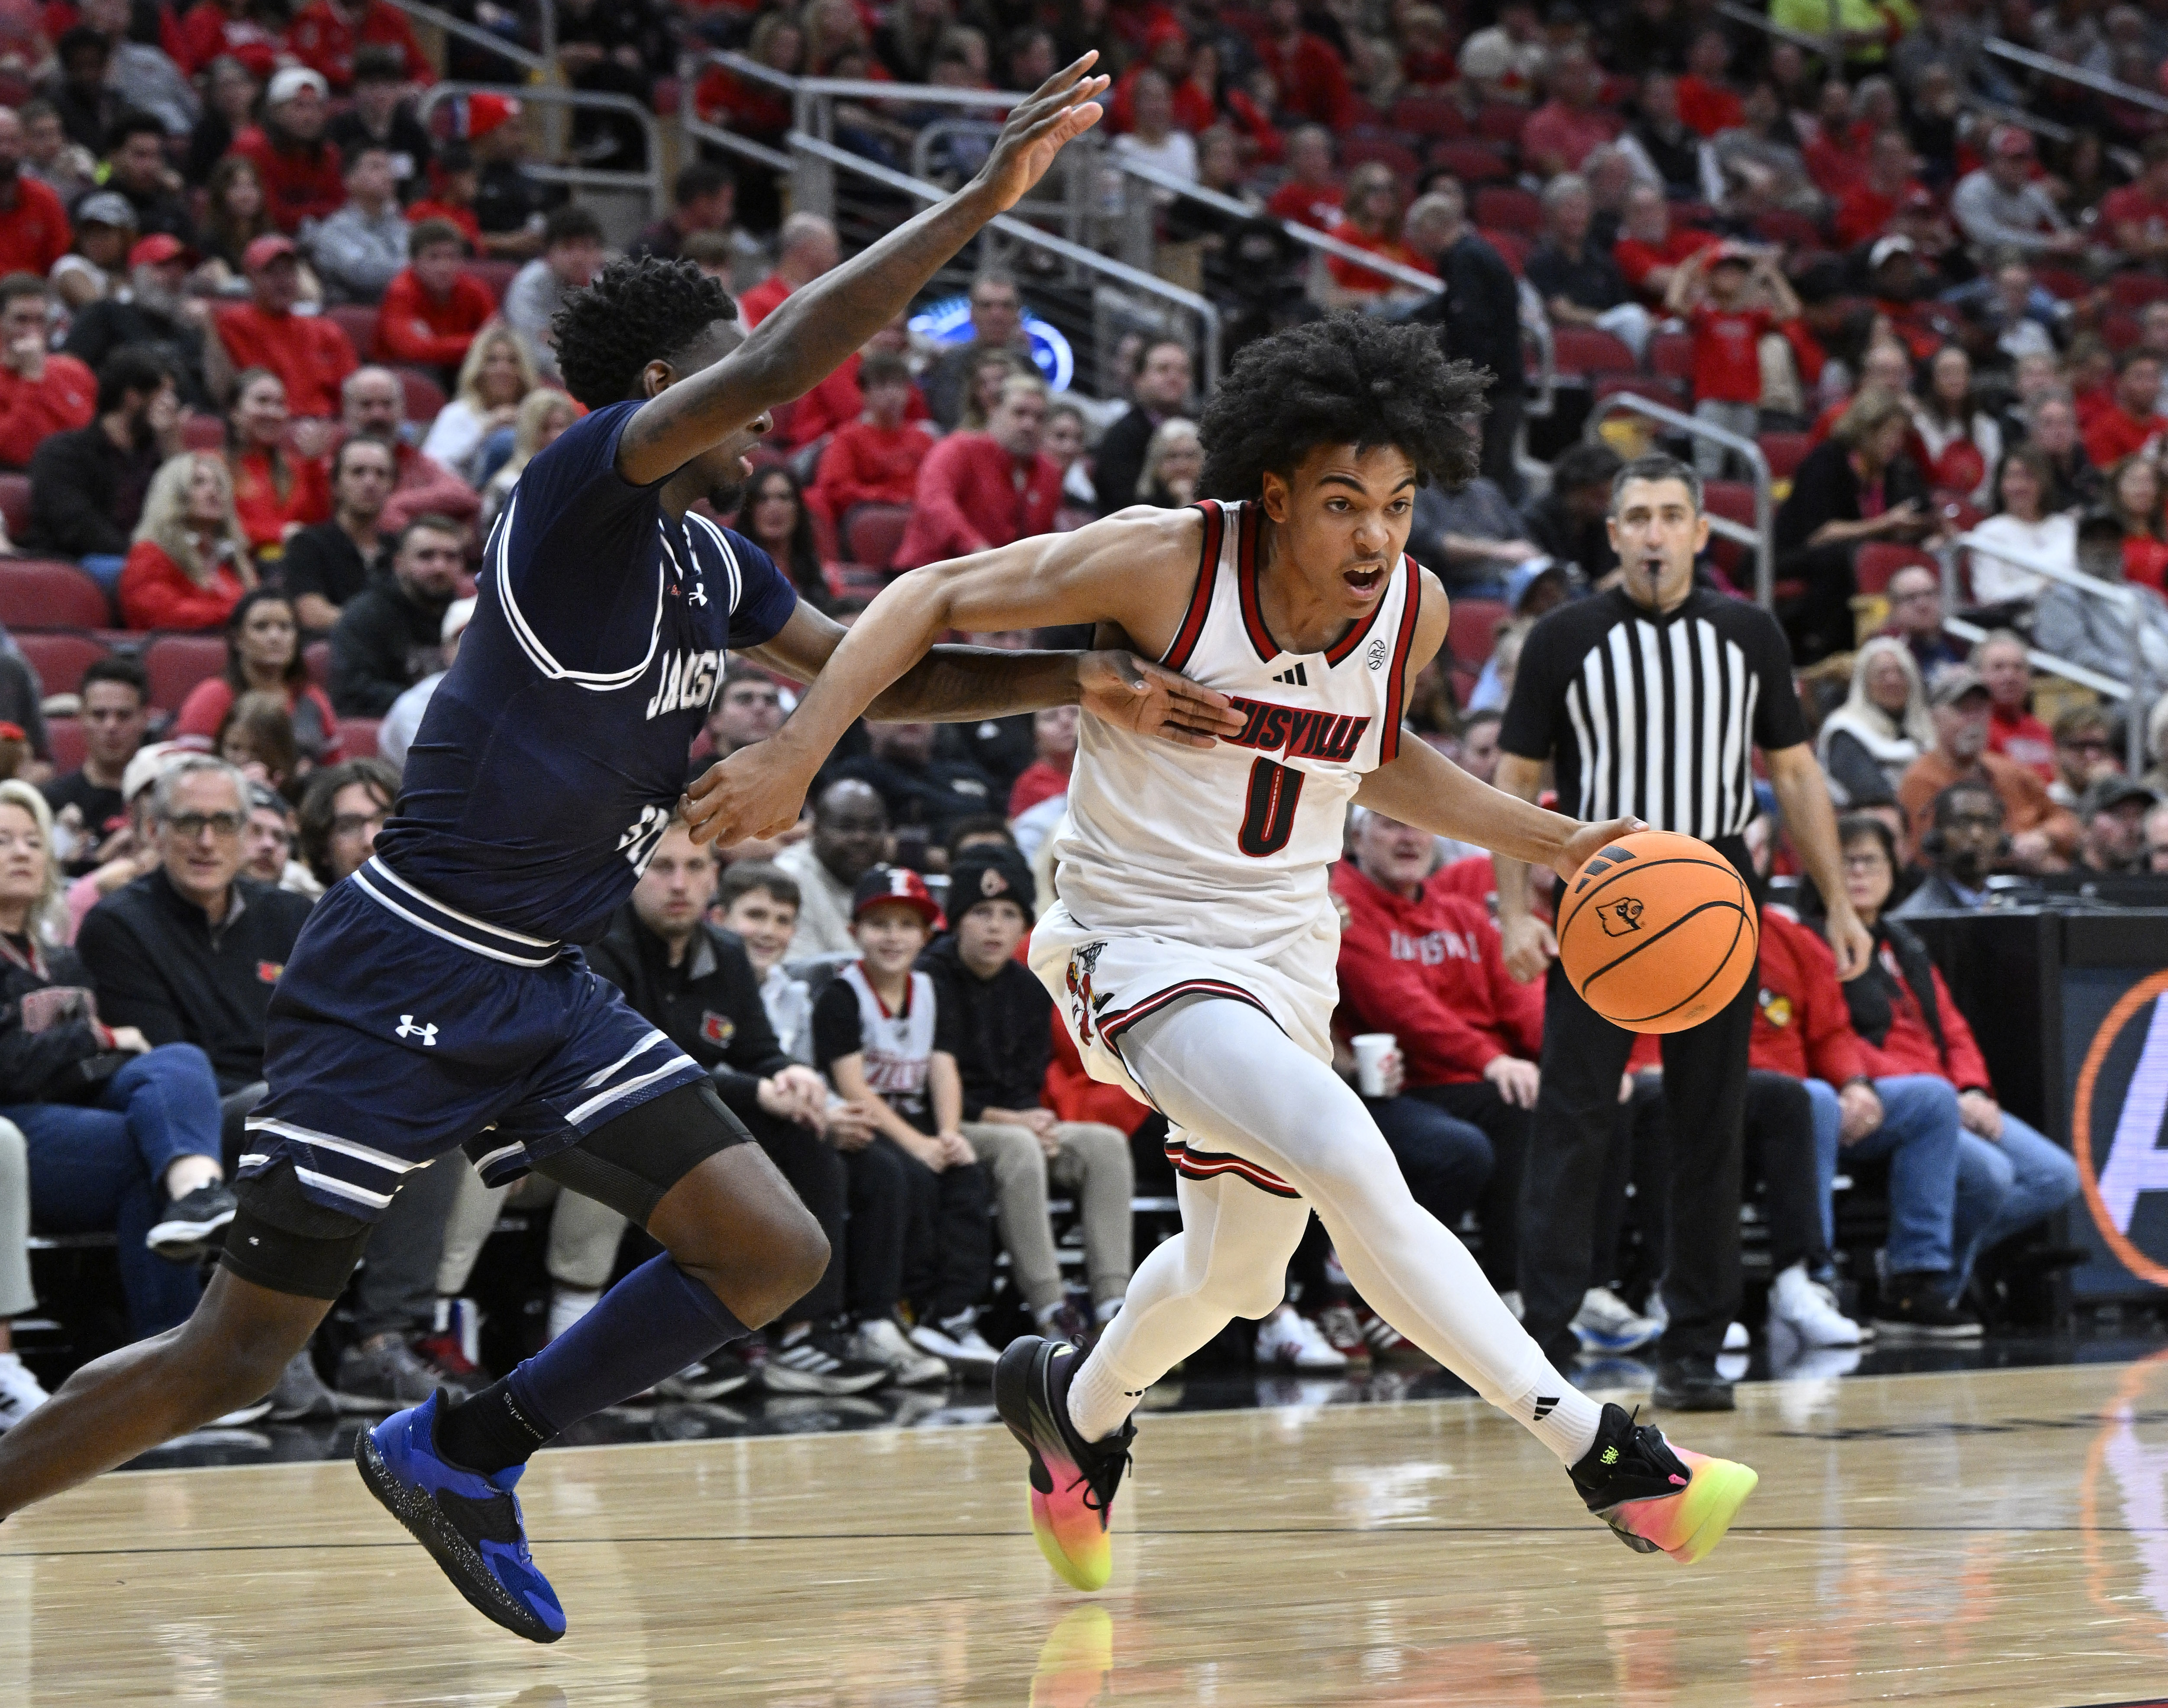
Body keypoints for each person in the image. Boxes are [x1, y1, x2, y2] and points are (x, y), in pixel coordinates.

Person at [0, 60, 1233, 1640]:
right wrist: (975, 203)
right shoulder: (579, 489)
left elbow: (883, 669)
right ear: (666, 384)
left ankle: (460, 1447)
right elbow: (796, 345)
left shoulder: (712, 560)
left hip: (543, 979)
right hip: (404, 970)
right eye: (733, 379)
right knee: (231, 1357)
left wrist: (1086, 672)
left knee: (768, 1245)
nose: (771, 404)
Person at [687, 325, 1764, 1594]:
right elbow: (925, 597)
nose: (1377, 538)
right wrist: (802, 749)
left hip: (1283, 946)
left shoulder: (1407, 607)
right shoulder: (1165, 561)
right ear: (1273, 494)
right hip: (1134, 937)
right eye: (1344, 504)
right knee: (1345, 1150)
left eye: (1401, 505)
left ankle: (1074, 1411)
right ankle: (1602, 1449)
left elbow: (1377, 754)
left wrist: (1567, 838)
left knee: (1240, 1273)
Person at [1477, 453, 1873, 1409]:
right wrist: (1516, 908)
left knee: (1709, 1123)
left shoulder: (1750, 634)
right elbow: (1514, 779)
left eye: (1671, 516)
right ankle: (1542, 1340)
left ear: (1701, 532)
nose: (1654, 532)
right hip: (1604, 897)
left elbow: (1796, 771)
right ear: (1611, 534)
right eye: (1637, 517)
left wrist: (1839, 899)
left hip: (1713, 895)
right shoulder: (1562, 636)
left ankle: (1696, 1342)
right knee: (1574, 1119)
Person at [586, 819, 904, 1395]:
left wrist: (791, 1074)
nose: (680, 883)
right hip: (611, 1116)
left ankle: (807, 1332)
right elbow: (635, 1061)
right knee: (676, 1148)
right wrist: (757, 1090)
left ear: (715, 879)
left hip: (697, 1112)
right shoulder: (605, 944)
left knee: (807, 1130)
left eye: (695, 867)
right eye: (663, 867)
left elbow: (758, 1049)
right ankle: (669, 1344)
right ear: (633, 875)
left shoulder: (726, 953)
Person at [0, 781, 237, 1342]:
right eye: (4, 840)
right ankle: (175, 1362)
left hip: (68, 1104)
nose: (22, 852)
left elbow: (72, 1062)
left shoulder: (59, 958)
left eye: (34, 840)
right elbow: (8, 1065)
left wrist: (96, 1047)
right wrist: (95, 1035)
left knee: (177, 1058)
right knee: (138, 1150)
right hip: (13, 1128)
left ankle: (196, 1193)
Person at [1829, 812, 2081, 1308]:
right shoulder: (1819, 943)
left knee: (2056, 1177)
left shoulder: (1905, 944)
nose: (1859, 874)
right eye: (1847, 863)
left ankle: (1932, 1272)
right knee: (1992, 1176)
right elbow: (1831, 1039)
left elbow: (1953, 1029)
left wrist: (1972, 1090)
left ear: (1894, 868)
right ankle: (1921, 1285)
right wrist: (1938, 1094)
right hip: (1889, 1102)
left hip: (1948, 1095)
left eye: (1871, 861)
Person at [920, 841, 1134, 1340]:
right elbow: (931, 1086)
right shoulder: (931, 977)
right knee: (1019, 1148)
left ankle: (1113, 1302)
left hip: (1014, 1122)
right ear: (956, 920)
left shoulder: (1028, 983)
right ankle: (1051, 1307)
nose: (995, 926)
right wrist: (1017, 1123)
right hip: (950, 1125)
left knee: (1104, 1145)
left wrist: (1036, 1120)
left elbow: (1027, 1076)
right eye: (980, 912)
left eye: (1008, 913)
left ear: (1024, 925)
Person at [1333, 807, 1539, 1301]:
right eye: (1390, 824)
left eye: (1417, 823)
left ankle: (1517, 1293)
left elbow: (1523, 997)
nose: (1409, 837)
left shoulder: (1462, 916)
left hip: (1459, 1083)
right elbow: (1398, 1006)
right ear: (1356, 838)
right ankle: (1394, 1292)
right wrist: (1491, 1059)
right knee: (1464, 1148)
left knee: (1547, 1105)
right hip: (1380, 1089)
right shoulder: (1338, 906)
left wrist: (1586, 1069)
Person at [1751, 898, 1971, 1337]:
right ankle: (1816, 1277)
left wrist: (1854, 1083)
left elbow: (1831, 1031)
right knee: (1810, 1099)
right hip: (1731, 1094)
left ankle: (1913, 1282)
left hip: (1806, 1095)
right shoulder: (1677, 929)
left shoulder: (1788, 936)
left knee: (1932, 1099)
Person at [1774, 391, 1936, 665]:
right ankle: (1825, 653)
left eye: (1901, 436)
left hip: (1853, 554)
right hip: (1794, 554)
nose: (1898, 443)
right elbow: (1821, 534)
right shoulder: (1827, 460)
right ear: (1867, 430)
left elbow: (1916, 508)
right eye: (1892, 434)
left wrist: (1927, 525)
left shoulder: (1895, 469)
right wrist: (1886, 523)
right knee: (1842, 559)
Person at [1400, 185, 1526, 500]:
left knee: (1487, 477)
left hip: (1493, 390)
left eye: (1416, 231)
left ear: (1433, 226)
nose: (1412, 241)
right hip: (1503, 383)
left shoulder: (1465, 259)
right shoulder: (1477, 254)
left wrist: (1465, 391)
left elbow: (1472, 329)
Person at [1897, 668, 2081, 869]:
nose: (1974, 720)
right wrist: (2014, 852)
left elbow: (2066, 821)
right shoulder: (1921, 780)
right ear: (1935, 717)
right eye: (1963, 710)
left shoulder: (2009, 770)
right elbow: (1928, 854)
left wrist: (2044, 837)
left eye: (1981, 709)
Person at [22, 347, 179, 571]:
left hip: (145, 563)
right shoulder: (64, 453)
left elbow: (186, 514)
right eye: (164, 397)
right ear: (132, 398)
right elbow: (77, 528)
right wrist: (141, 556)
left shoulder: (158, 457)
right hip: (78, 564)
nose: (172, 407)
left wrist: (173, 450)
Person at [1665, 244, 1802, 481]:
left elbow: (1792, 310)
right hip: (1712, 401)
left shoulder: (1753, 317)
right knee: (1708, 467)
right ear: (1712, 277)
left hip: (1747, 402)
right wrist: (1685, 271)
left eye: (1738, 272)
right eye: (1724, 271)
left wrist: (1772, 274)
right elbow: (1674, 304)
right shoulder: (1706, 314)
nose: (1732, 278)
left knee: (1746, 469)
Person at [173, 590, 342, 765]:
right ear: (238, 638)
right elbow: (191, 771)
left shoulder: (312, 697)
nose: (275, 637)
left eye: (285, 627)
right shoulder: (213, 696)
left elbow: (336, 769)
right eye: (261, 627)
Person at [63, 235, 226, 412]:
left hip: (189, 427)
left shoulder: (193, 332)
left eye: (182, 268)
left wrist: (210, 330)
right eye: (163, 266)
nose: (175, 275)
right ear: (134, 274)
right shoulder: (107, 314)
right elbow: (68, 373)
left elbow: (222, 395)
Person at [327, 514, 465, 715]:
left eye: (451, 557)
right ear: (399, 564)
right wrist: (427, 701)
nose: (440, 567)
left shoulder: (472, 616)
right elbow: (353, 692)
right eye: (426, 556)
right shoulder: (365, 616)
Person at [213, 234, 358, 419]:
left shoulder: (327, 331)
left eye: (288, 271)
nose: (282, 281)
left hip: (326, 426)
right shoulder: (234, 323)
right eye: (271, 272)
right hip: (270, 423)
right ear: (250, 277)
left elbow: (352, 394)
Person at [116, 451, 255, 632]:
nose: (213, 491)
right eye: (199, 482)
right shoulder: (149, 554)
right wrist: (242, 615)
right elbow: (165, 615)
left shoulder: (230, 560)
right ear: (174, 494)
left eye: (219, 485)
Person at [1526, 172, 1651, 363]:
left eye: (1582, 209)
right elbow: (1562, 312)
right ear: (1551, 214)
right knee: (1633, 318)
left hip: (1613, 331)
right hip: (1572, 338)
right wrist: (1609, 321)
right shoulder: (1542, 261)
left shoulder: (1601, 260)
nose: (1577, 216)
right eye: (1569, 208)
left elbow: (1622, 302)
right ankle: (1643, 373)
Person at [338, 365, 479, 533]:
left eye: (387, 404)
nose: (378, 414)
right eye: (366, 405)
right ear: (346, 410)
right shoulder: (328, 457)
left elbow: (465, 496)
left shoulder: (414, 459)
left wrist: (396, 504)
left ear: (402, 409)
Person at [42, 654, 148, 876]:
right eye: (99, 715)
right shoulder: (50, 802)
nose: (111, 726)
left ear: (144, 719)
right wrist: (98, 862)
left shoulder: (164, 799)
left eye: (124, 716)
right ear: (81, 718)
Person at [279, 435, 394, 632]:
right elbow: (313, 615)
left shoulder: (399, 548)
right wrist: (384, 624)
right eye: (358, 472)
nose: (370, 482)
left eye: (381, 474)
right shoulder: (307, 544)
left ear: (391, 486)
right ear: (336, 485)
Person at [808, 348, 932, 524]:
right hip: (872, 525)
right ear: (863, 394)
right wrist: (890, 498)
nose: (893, 395)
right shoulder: (848, 438)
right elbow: (836, 490)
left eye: (899, 386)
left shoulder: (923, 439)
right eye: (882, 386)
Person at [223, 369, 331, 559]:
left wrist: (314, 465)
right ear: (235, 412)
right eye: (263, 401)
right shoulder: (212, 465)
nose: (273, 412)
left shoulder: (299, 467)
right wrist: (278, 533)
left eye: (280, 404)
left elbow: (320, 523)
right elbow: (215, 528)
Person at [776, 779, 888, 958]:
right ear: (815, 830)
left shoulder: (885, 878)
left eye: (873, 828)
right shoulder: (789, 878)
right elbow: (800, 971)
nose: (861, 838)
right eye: (847, 827)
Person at [1818, 636, 1933, 807]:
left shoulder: (1929, 726)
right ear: (1865, 682)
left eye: (1901, 672)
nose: (1893, 681)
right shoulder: (1845, 730)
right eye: (1882, 674)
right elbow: (1873, 797)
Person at [227, 66, 345, 233]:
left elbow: (341, 205)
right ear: (274, 111)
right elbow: (266, 214)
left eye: (317, 107)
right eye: (299, 107)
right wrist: (319, 213)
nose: (310, 116)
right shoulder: (251, 148)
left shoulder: (329, 152)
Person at [374, 220, 495, 373]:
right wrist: (479, 341)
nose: (444, 267)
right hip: (405, 373)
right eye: (433, 258)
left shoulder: (476, 290)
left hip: (460, 369)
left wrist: (434, 343)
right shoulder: (400, 292)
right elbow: (413, 350)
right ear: (414, 262)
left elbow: (497, 341)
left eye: (452, 257)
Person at [501, 205, 605, 383]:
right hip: (536, 377)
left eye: (587, 248)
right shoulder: (528, 285)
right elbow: (530, 347)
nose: (578, 258)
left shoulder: (604, 287)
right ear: (548, 254)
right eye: (568, 248)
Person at [0, 272, 93, 470]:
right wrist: (32, 379)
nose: (32, 330)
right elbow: (14, 450)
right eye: (21, 320)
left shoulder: (74, 371)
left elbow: (91, 437)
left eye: (40, 320)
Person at [420, 324, 535, 483]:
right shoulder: (457, 413)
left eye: (513, 361)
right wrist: (488, 428)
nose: (503, 369)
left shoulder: (536, 416)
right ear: (478, 369)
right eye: (492, 360)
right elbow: (432, 468)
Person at [922, 268, 1034, 429]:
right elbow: (948, 419)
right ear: (972, 314)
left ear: (1018, 314)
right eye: (986, 306)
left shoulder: (1028, 365)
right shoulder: (951, 362)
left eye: (1006, 306)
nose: (997, 315)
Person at [1092, 339, 1192, 518]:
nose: (1174, 378)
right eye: (1163, 369)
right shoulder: (1120, 437)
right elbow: (1121, 506)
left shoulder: (1202, 428)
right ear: (1139, 378)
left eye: (1183, 371)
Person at [1968, 446, 2073, 609]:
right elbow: (1988, 595)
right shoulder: (1988, 533)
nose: (2019, 486)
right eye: (2011, 477)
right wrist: (2042, 586)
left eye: (2028, 477)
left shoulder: (2064, 525)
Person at [377, 597, 473, 773]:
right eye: (463, 637)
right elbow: (438, 776)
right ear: (445, 650)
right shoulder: (417, 707)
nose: (473, 647)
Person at [306, 142, 408, 303]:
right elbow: (363, 274)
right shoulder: (334, 230)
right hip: (355, 312)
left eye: (389, 167)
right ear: (350, 180)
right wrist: (419, 270)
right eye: (376, 167)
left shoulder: (402, 225)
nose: (388, 175)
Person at [736, 465, 834, 616]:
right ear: (749, 510)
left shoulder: (815, 568)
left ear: (798, 509)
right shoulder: (735, 569)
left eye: (784, 498)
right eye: (763, 499)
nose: (775, 508)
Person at [478, 387, 575, 533]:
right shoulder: (508, 486)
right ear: (528, 434)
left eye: (561, 427)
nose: (556, 436)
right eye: (545, 429)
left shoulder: (585, 477)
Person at [0, 110, 73, 283]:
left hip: (37, 296)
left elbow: (60, 260)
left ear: (25, 145)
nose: (4, 150)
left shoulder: (44, 198)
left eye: (12, 141)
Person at [1974, 629, 2055, 781]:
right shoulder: (1975, 733)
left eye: (2018, 668)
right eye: (1999, 667)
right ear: (1978, 675)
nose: (2010, 676)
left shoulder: (2043, 731)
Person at [1881, 564, 1965, 679]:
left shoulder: (1962, 640)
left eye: (1929, 594)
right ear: (1894, 607)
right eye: (1911, 598)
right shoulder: (1883, 651)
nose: (1923, 605)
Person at [2074, 775, 2158, 874]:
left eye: (2138, 815)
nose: (2131, 826)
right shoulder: (2064, 881)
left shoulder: (2149, 879)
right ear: (2087, 825)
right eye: (2119, 815)